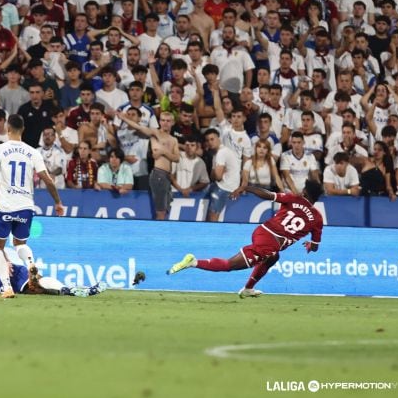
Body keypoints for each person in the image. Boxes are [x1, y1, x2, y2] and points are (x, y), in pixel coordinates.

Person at [167, 181, 325, 298]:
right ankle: (193, 262)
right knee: (230, 265)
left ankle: (249, 288)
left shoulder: (293, 199)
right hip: (269, 242)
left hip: (263, 232)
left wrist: (247, 187)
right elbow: (315, 247)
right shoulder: (317, 219)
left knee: (274, 257)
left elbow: (267, 195)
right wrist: (310, 245)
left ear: (304, 191)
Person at [0, 114, 65, 299]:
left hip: (5, 207)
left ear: (8, 129)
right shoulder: (33, 152)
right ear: (23, 130)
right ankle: (31, 264)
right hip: (26, 206)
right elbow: (47, 179)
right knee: (20, 243)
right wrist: (57, 202)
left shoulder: (0, 150)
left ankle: (7, 288)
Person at [0, 231, 122, 297]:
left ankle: (69, 291)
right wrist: (5, 261)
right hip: (8, 267)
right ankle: (69, 289)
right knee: (37, 282)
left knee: (35, 289)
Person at [118, 109, 180, 220]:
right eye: (162, 120)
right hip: (158, 174)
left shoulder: (174, 139)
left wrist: (164, 152)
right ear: (159, 122)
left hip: (167, 176)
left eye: (168, 121)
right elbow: (139, 127)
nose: (165, 123)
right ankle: (156, 235)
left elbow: (176, 158)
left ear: (173, 122)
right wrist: (124, 118)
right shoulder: (156, 133)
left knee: (165, 210)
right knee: (160, 212)